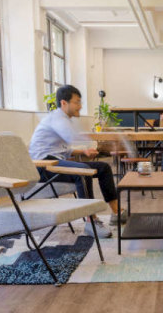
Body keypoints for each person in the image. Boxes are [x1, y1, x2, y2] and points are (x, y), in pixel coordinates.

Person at [28, 85, 125, 237]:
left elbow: (62, 149)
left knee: (104, 167)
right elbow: (72, 137)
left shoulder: (62, 119)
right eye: (77, 102)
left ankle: (117, 212)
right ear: (64, 103)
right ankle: (90, 221)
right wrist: (108, 138)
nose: (80, 106)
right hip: (43, 166)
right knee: (83, 171)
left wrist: (84, 151)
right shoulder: (57, 118)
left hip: (54, 160)